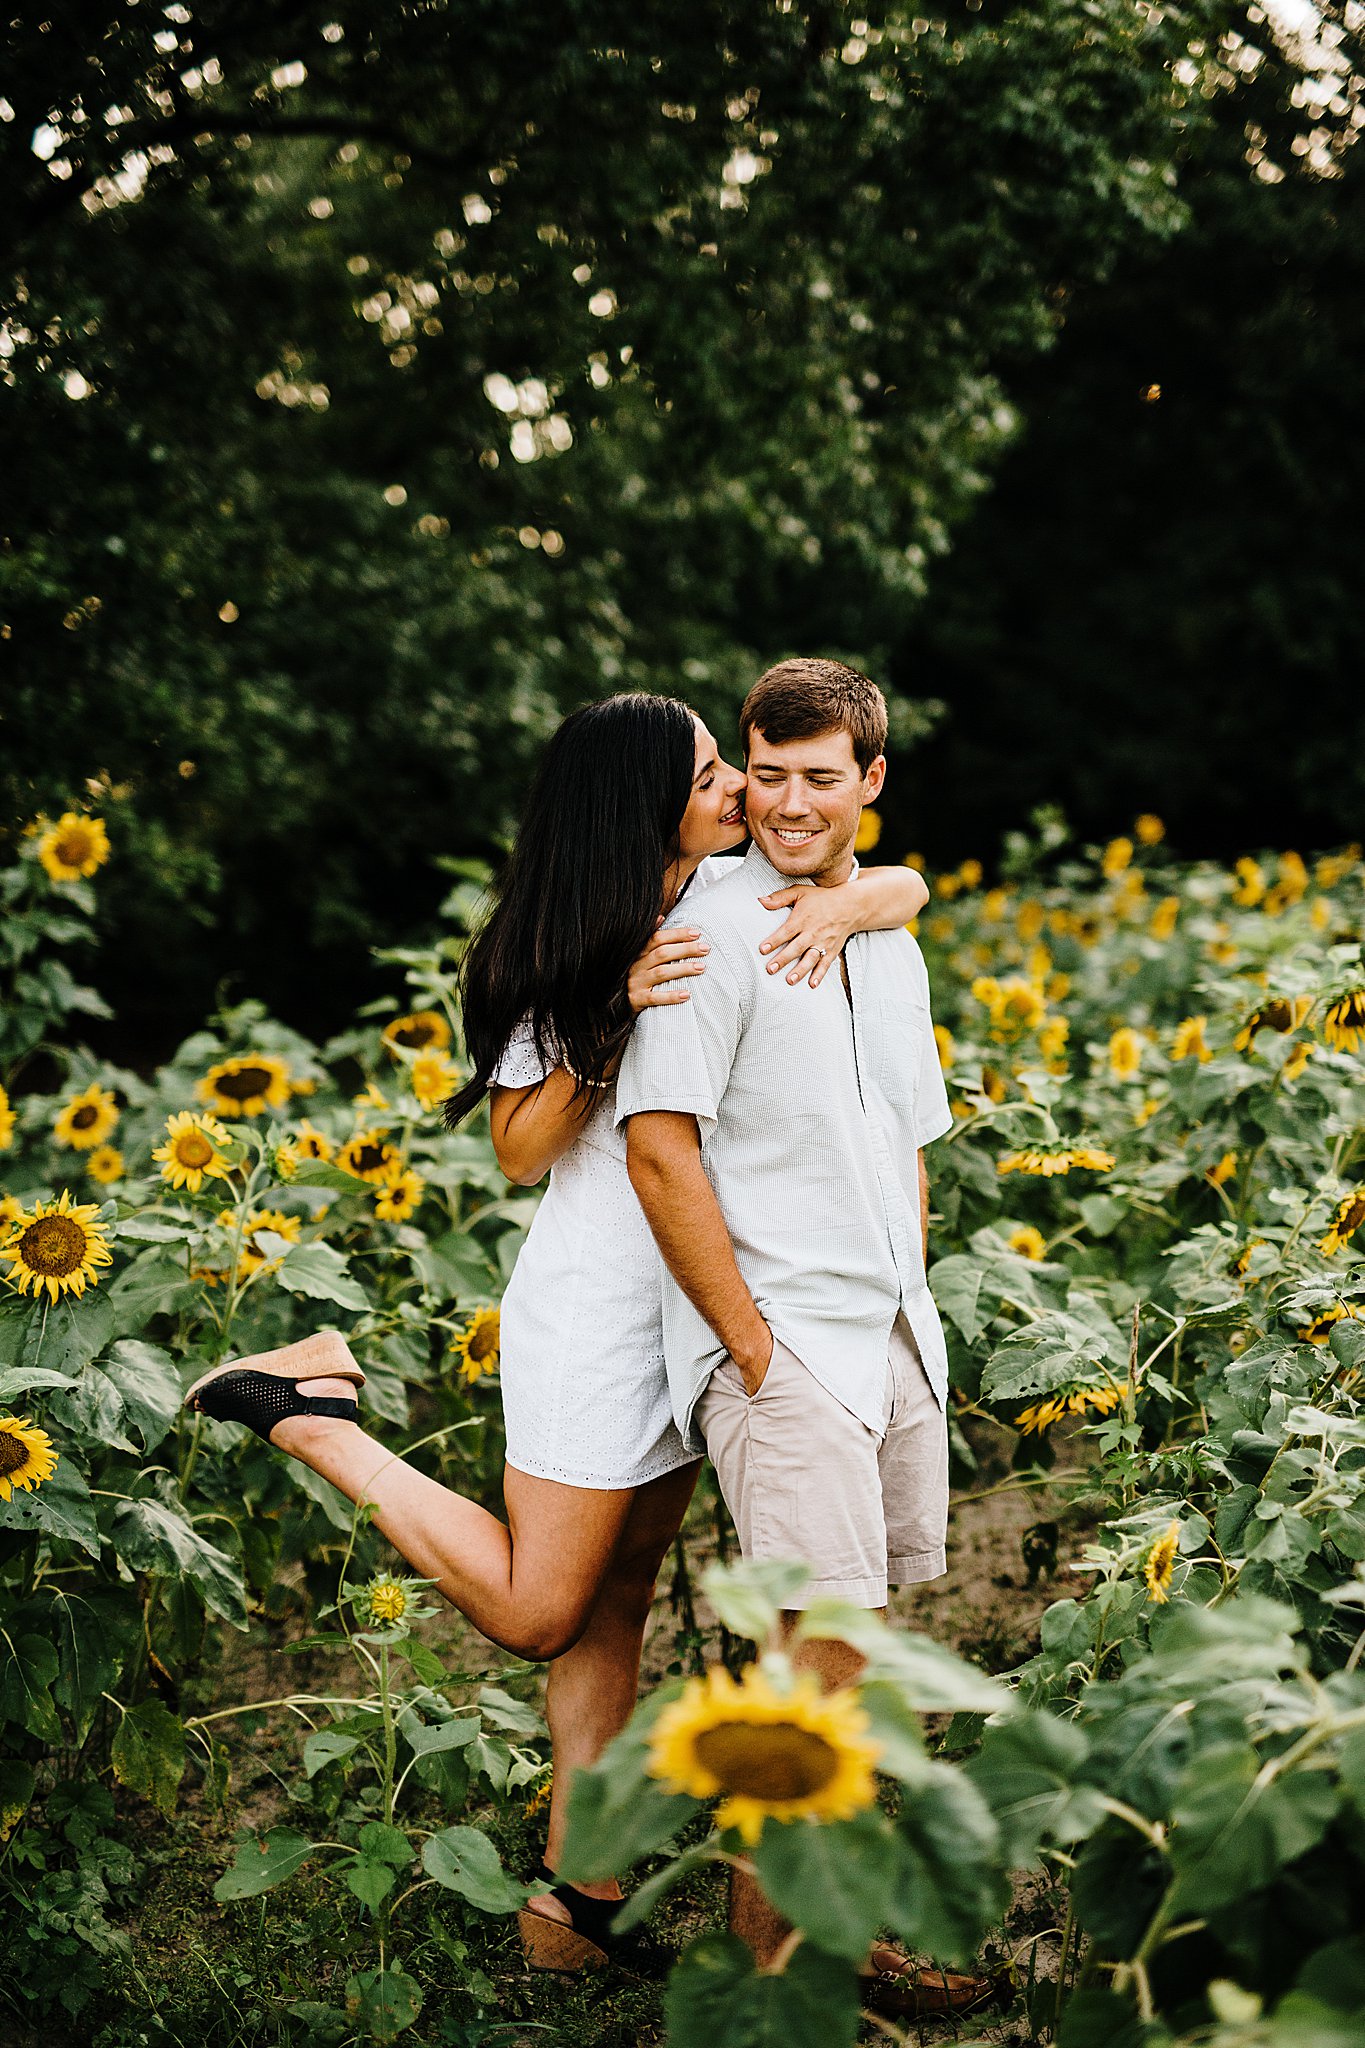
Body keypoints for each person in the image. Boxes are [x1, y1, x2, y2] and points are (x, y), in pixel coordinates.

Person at [185, 691, 929, 1972]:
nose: (741, 791)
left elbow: (893, 879)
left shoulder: (724, 894)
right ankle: (314, 1413)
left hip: (696, 1298)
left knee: (617, 1600)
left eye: (732, 766)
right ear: (644, 802)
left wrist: (864, 899)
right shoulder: (564, 942)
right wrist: (609, 1013)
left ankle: (576, 1897)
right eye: (712, 773)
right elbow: (520, 1149)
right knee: (541, 1608)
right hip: (599, 1309)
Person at [616, 659, 984, 2016]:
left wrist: (908, 1298)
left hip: (883, 1329)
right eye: (764, 774)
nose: (786, 802)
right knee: (804, 1679)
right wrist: (752, 1350)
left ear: (870, 780)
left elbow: (906, 1135)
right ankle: (772, 1987)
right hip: (784, 1349)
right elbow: (659, 1150)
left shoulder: (886, 938)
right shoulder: (708, 935)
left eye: (819, 777)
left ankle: (832, 1940)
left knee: (845, 1662)